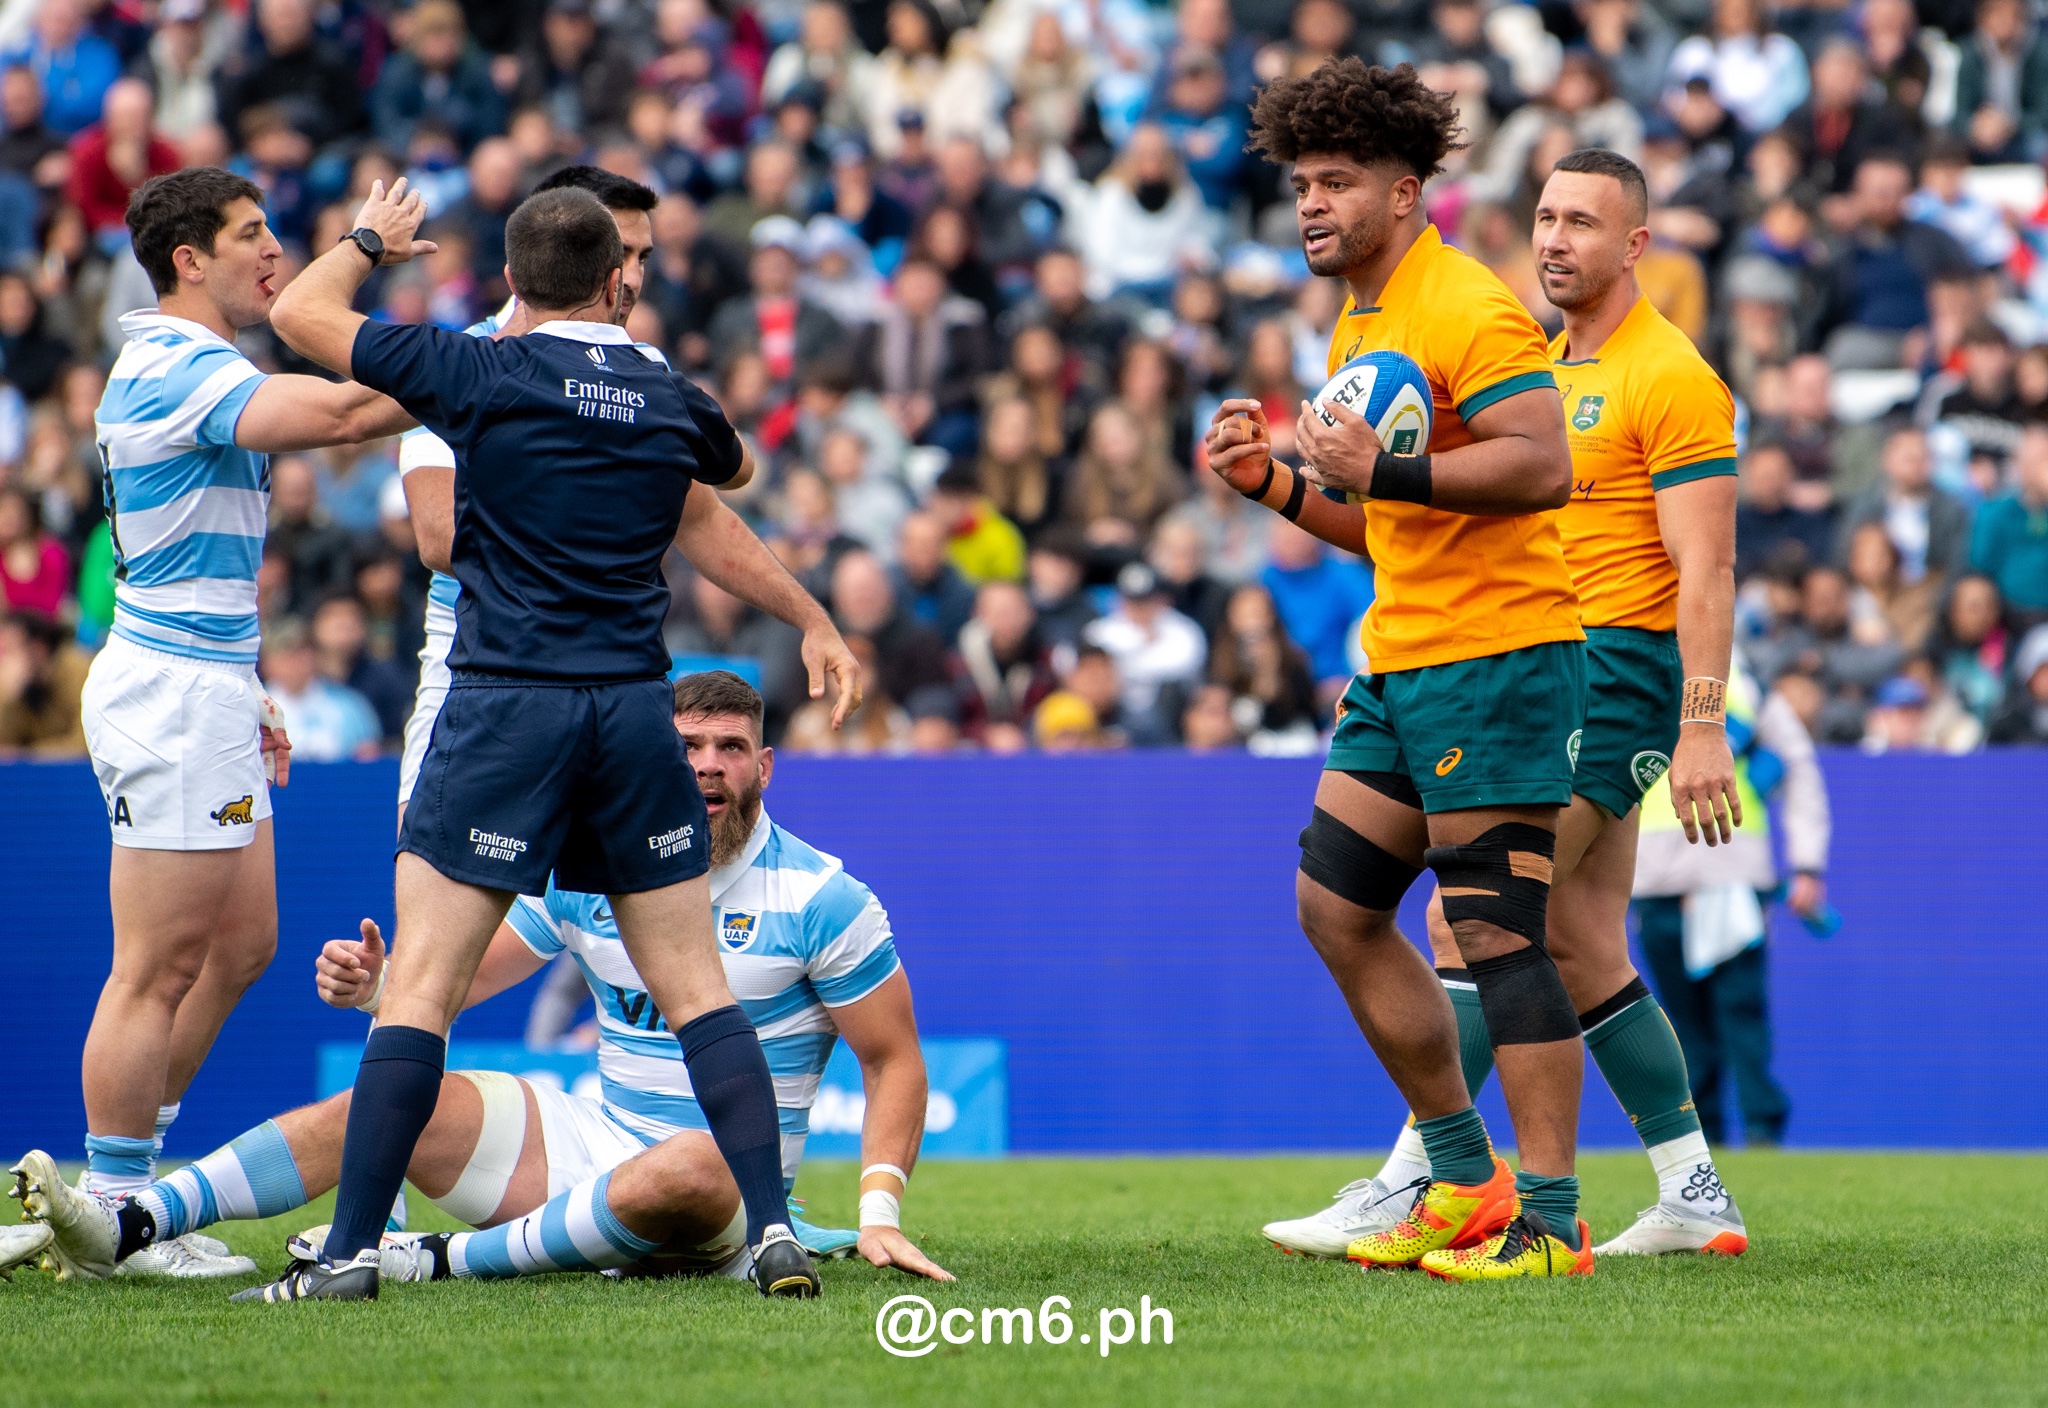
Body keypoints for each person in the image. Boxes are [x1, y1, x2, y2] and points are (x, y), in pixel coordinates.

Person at [254, 176, 858, 1303]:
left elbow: (296, 318)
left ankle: (343, 1258)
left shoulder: (478, 368)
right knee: (699, 993)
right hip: (634, 710)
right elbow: (732, 470)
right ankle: (771, 1232)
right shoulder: (671, 392)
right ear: (617, 279)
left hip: (503, 702)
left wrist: (368, 242)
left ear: (511, 287)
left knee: (422, 989)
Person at [6, 673, 950, 1287]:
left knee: (694, 1162)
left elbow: (894, 1061)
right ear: (656, 756)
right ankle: (129, 1223)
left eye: (730, 750)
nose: (706, 768)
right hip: (589, 1140)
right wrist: (385, 988)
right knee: (382, 1102)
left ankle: (430, 1260)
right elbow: (454, 985)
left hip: (727, 1188)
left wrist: (876, 1210)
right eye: (688, 747)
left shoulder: (824, 897)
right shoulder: (601, 869)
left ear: (765, 767)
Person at [1207, 60, 1592, 1279]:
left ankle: (1551, 1219)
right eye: (1301, 183)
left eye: (1337, 182)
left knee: (1493, 933)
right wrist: (1272, 482)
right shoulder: (1364, 316)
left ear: (1406, 193)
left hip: (1496, 657)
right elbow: (1389, 523)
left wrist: (1386, 472)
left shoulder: (1461, 306)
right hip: (1405, 658)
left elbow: (1542, 467)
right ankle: (1461, 1178)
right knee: (1335, 906)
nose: (1311, 204)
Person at [75, 166, 419, 1277]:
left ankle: (124, 1188)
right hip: (173, 690)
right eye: (251, 234)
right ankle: (114, 1209)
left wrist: (250, 681)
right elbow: (343, 408)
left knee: (240, 945)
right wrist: (486, 365)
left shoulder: (197, 359)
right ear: (190, 259)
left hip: (210, 678)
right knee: (155, 965)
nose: (271, 251)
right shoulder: (170, 360)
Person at [394, 165, 661, 822]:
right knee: (452, 918)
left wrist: (807, 617)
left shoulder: (643, 375)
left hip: (613, 680)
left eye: (643, 256)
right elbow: (437, 536)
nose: (631, 276)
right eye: (617, 253)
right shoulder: (462, 365)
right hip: (480, 677)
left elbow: (708, 514)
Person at [1632, 662, 1830, 1148]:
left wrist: (1807, 863)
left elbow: (1797, 764)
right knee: (1681, 1027)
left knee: (1738, 1014)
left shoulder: (1745, 682)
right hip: (1656, 883)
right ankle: (1702, 1143)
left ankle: (1760, 1130)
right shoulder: (1637, 665)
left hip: (1731, 875)